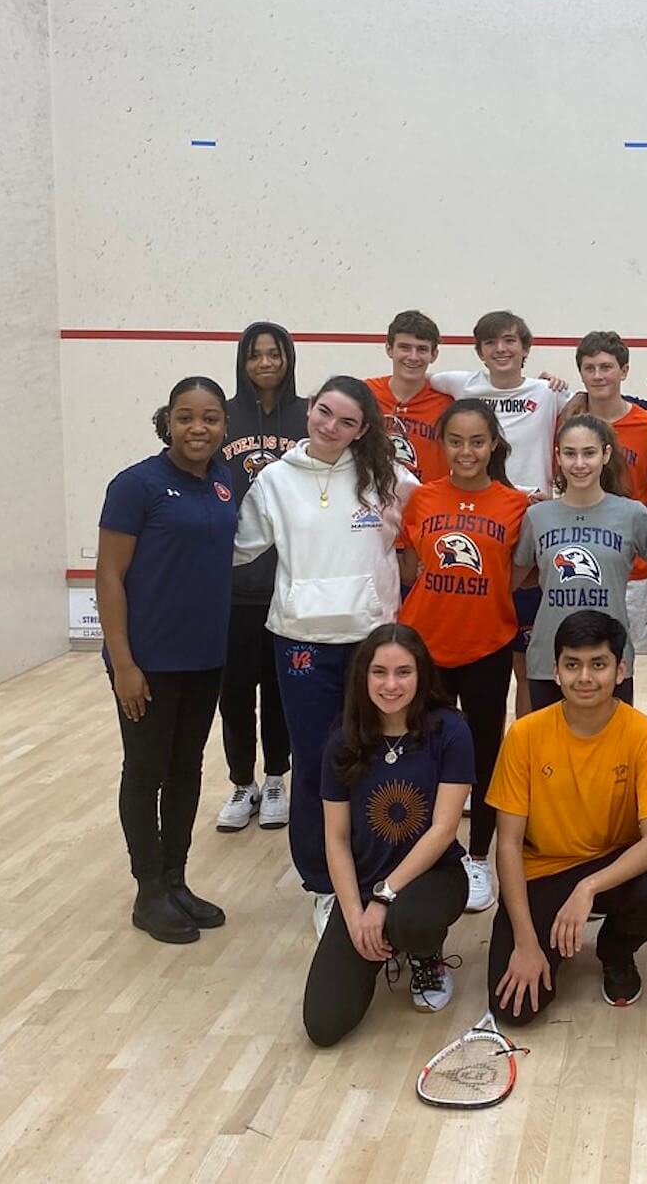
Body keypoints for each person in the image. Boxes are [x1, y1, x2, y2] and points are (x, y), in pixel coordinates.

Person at [233, 375, 417, 935]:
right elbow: (238, 547)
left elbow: (445, 514)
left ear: (363, 431)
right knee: (317, 765)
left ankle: (379, 875)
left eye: (346, 422)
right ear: (310, 409)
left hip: (372, 644)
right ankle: (321, 884)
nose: (331, 427)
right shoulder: (273, 480)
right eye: (324, 413)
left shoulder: (389, 480)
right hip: (300, 643)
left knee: (377, 758)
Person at [96, 377, 240, 944]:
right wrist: (125, 663)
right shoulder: (136, 486)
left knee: (186, 769)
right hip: (147, 661)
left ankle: (177, 880)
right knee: (146, 770)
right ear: (168, 422)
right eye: (185, 417)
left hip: (204, 657)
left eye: (209, 418)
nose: (197, 428)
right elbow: (109, 576)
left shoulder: (225, 483)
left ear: (225, 426)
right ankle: (148, 890)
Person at [485, 611, 647, 1024]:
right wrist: (525, 941)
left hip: (610, 867)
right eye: (572, 665)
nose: (585, 678)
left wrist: (587, 888)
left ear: (621, 669)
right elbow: (506, 844)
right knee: (513, 1011)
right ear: (555, 671)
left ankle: (616, 950)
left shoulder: (644, 736)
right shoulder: (524, 735)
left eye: (598, 664)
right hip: (543, 870)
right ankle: (548, 937)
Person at [304, 624, 473, 1045]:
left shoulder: (450, 731)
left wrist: (384, 898)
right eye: (379, 672)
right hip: (363, 887)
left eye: (403, 672)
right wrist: (354, 915)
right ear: (363, 677)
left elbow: (443, 829)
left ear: (422, 676)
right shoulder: (342, 740)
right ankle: (382, 940)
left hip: (433, 878)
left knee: (410, 919)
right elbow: (337, 840)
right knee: (323, 1026)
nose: (391, 684)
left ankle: (425, 956)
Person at [399, 399, 530, 914]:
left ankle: (478, 857)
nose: (467, 451)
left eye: (478, 441)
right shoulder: (422, 499)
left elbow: (523, 569)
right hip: (424, 647)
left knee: (482, 754)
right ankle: (427, 851)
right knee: (423, 750)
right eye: (456, 441)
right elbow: (410, 568)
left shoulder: (517, 504)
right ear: (442, 444)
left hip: (487, 646)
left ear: (493, 443)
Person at [429, 310, 571, 719]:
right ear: (479, 352)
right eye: (491, 343)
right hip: (481, 523)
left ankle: (521, 751)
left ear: (525, 349)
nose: (501, 349)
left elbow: (590, 399)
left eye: (510, 340)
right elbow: (413, 381)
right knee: (481, 657)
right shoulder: (461, 385)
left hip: (531, 521)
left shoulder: (547, 391)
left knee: (526, 665)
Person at [214, 322, 306, 834]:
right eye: (256, 355)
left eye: (275, 354)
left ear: (288, 358)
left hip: (287, 585)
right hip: (232, 588)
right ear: (243, 361)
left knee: (277, 692)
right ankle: (240, 782)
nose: (266, 363)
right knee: (234, 694)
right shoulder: (223, 416)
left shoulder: (306, 414)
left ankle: (275, 779)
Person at [515, 414, 647, 709]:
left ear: (606, 454)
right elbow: (512, 579)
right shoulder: (537, 517)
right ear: (558, 457)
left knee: (611, 753)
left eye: (589, 453)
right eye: (570, 454)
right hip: (550, 658)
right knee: (549, 754)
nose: (580, 463)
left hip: (610, 658)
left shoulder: (633, 514)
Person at [572, 331, 647, 644]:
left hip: (635, 570)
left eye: (606, 367)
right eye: (589, 368)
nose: (597, 375)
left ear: (624, 371)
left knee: (635, 665)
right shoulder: (569, 422)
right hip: (582, 566)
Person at [365, 309, 452, 482]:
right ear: (389, 349)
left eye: (422, 349)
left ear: (434, 355)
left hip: (426, 505)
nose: (413, 357)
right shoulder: (364, 394)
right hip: (370, 501)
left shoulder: (449, 403)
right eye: (404, 347)